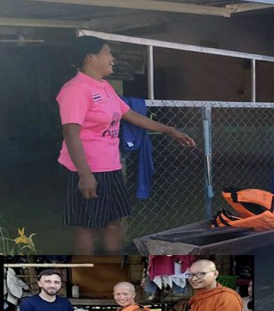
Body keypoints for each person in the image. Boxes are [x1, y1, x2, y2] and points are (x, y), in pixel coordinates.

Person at [57, 36, 196, 254]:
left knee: (114, 222)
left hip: (110, 166)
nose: (112, 58)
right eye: (108, 53)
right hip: (88, 168)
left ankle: (115, 267)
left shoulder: (105, 88)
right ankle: (85, 273)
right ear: (90, 57)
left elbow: (130, 114)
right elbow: (70, 133)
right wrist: (85, 175)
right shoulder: (76, 89)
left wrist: (169, 130)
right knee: (88, 226)